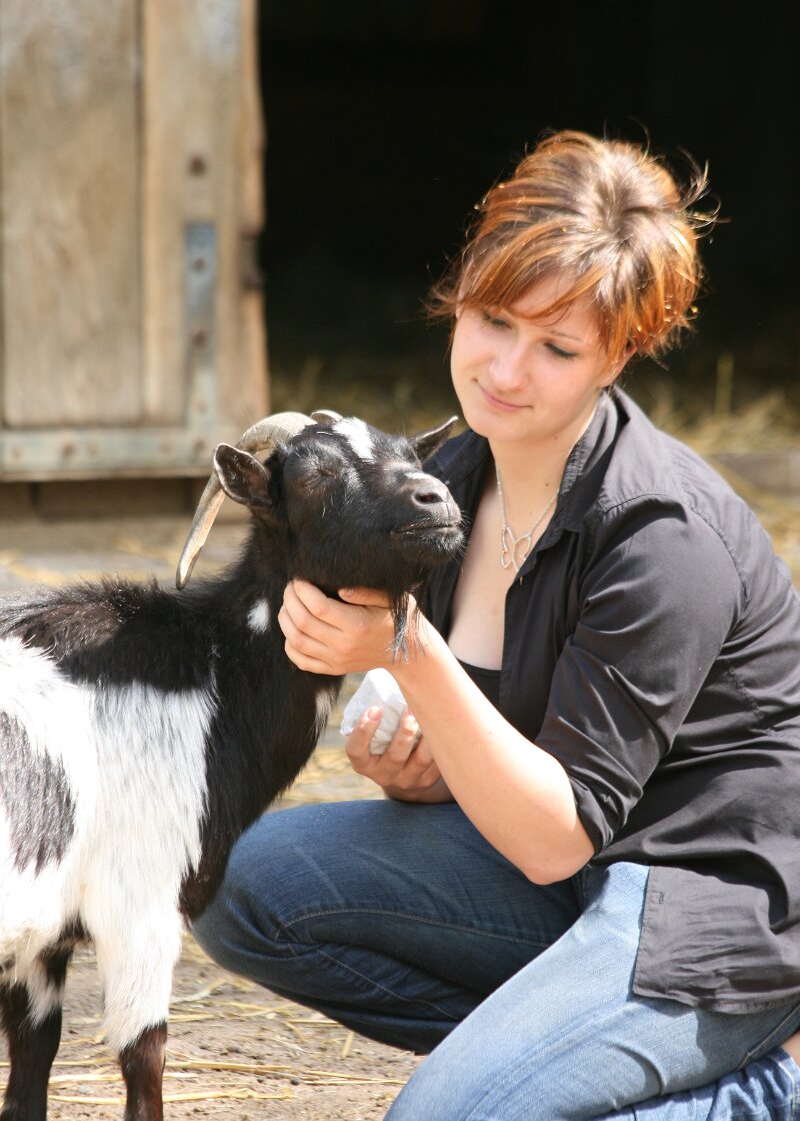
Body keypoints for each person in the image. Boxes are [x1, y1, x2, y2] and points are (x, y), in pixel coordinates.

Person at [193, 130, 800, 1119]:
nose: (506, 371)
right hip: (563, 876)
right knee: (232, 884)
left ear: (618, 355)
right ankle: (555, 1064)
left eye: (556, 348)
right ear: (460, 293)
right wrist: (423, 772)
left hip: (707, 912)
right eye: (491, 319)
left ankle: (766, 1083)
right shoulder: (454, 477)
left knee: (440, 1118)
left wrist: (405, 649)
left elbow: (556, 836)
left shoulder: (661, 536)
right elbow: (523, 780)